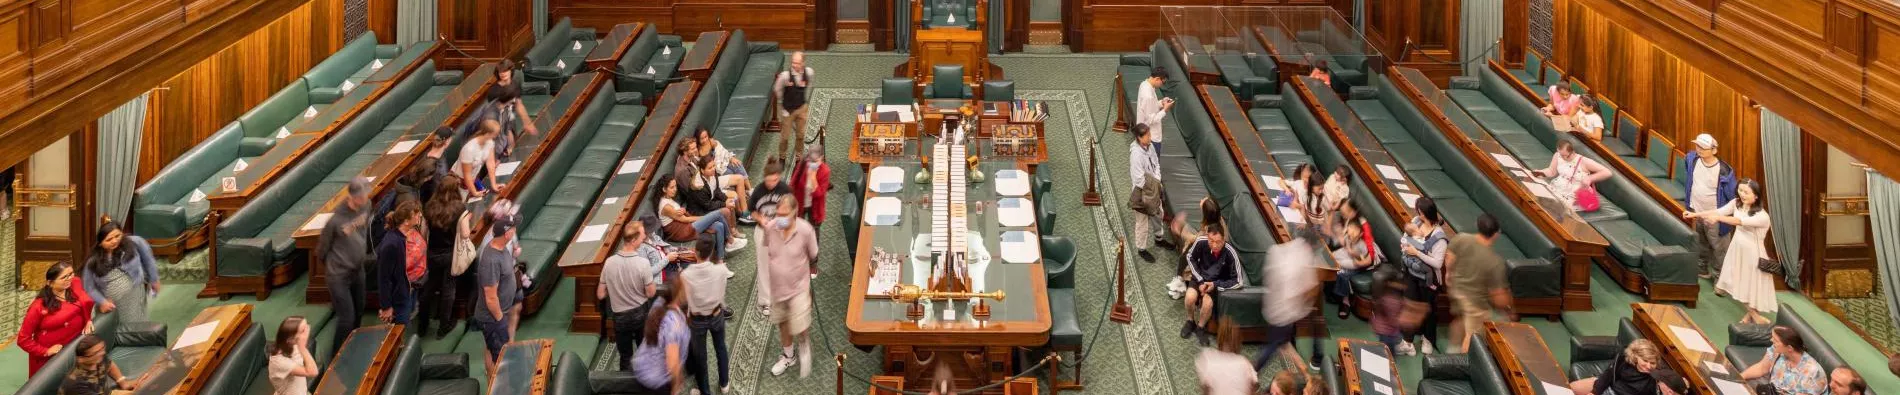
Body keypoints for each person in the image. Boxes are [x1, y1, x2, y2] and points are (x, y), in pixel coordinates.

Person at [1687, 179, 1774, 314]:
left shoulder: (1762, 216)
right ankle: (1751, 317)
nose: (1742, 195)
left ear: (1756, 195)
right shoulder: (1736, 203)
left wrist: (1718, 219)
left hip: (1752, 253)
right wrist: (1695, 214)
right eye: (1740, 190)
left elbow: (1739, 221)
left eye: (1746, 192)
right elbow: (1718, 211)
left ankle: (1755, 317)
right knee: (1739, 283)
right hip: (1737, 249)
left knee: (1749, 285)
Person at [758, 194, 819, 377]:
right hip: (778, 288)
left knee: (800, 325)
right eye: (779, 213)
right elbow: (768, 249)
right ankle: (788, 356)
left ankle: (804, 345)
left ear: (795, 212)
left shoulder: (806, 230)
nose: (780, 218)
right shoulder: (770, 227)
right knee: (783, 323)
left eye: (785, 214)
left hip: (799, 288)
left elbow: (813, 254)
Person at [315, 178, 373, 357]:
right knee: (346, 318)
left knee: (359, 309)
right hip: (338, 276)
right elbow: (322, 250)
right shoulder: (335, 220)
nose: (365, 198)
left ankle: (352, 345)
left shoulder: (367, 206)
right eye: (362, 196)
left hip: (358, 270)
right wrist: (337, 266)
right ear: (353, 197)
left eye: (366, 195)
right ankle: (337, 355)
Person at [1446, 214, 1515, 353]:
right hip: (1475, 303)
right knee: (1473, 337)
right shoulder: (1495, 262)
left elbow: (1449, 256)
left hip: (1456, 290)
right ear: (1496, 235)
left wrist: (1449, 273)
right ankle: (1465, 364)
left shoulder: (1461, 238)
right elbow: (1498, 296)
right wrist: (1510, 309)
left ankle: (1452, 352)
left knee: (1460, 320)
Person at [601, 217, 663, 371]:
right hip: (640, 314)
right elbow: (651, 293)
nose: (644, 238)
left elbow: (601, 294)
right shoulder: (642, 264)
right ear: (634, 239)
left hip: (619, 318)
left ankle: (625, 385)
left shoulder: (609, 262)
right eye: (642, 235)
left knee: (625, 356)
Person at [1253, 231, 1319, 370]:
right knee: (1272, 346)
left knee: (1283, 340)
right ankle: (1254, 371)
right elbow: (1303, 291)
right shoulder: (1304, 259)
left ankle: (1300, 365)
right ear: (1312, 245)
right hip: (1284, 314)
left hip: (1271, 304)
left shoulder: (1281, 249)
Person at [18, 262, 94, 377]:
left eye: (71, 273)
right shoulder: (38, 307)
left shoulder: (75, 282)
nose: (70, 279)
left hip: (75, 348)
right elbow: (23, 339)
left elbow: (86, 301)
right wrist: (46, 351)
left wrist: (88, 319)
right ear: (50, 283)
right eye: (64, 277)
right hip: (51, 358)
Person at [1680, 133, 1739, 280]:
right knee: (1700, 243)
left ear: (1714, 150)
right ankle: (1702, 269)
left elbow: (1732, 196)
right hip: (1695, 210)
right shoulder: (1692, 158)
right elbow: (1689, 173)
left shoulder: (1724, 170)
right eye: (1697, 146)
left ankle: (1721, 279)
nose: (1699, 150)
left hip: (1715, 216)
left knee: (1719, 248)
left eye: (1703, 147)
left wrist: (1724, 216)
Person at [1397, 197, 1449, 356]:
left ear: (1424, 213)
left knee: (1428, 309)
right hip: (1412, 273)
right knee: (1410, 305)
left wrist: (1416, 252)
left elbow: (1438, 264)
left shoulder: (1439, 237)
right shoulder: (1416, 222)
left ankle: (1428, 338)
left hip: (1429, 278)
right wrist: (1404, 245)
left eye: (1419, 212)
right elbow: (1404, 237)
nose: (1417, 214)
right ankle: (1407, 342)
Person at [680, 236, 731, 395]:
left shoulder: (686, 275)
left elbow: (685, 299)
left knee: (700, 357)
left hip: (697, 320)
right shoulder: (721, 270)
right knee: (721, 348)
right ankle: (724, 383)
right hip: (716, 314)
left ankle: (705, 391)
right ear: (711, 252)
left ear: (695, 252)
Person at [81, 221, 158, 323]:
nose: (114, 241)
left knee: (139, 321)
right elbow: (89, 287)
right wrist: (102, 301)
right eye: (109, 239)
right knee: (119, 328)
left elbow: (148, 260)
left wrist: (154, 279)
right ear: (100, 243)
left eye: (117, 236)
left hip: (136, 293)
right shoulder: (93, 261)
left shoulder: (135, 242)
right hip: (113, 303)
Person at [474, 214, 521, 378]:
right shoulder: (491, 260)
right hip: (492, 317)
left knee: (492, 350)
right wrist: (500, 320)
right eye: (514, 228)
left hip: (500, 313)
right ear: (507, 233)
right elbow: (490, 297)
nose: (516, 230)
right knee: (499, 360)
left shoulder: (502, 248)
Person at [656, 173, 739, 264]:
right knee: (720, 213)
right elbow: (684, 220)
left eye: (675, 186)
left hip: (684, 226)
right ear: (664, 189)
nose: (675, 189)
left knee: (719, 226)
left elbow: (678, 215)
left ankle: (720, 261)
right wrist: (707, 218)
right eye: (672, 187)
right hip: (681, 231)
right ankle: (730, 239)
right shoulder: (665, 206)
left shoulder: (668, 199)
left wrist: (682, 210)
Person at [421, 175, 467, 338]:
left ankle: (422, 325)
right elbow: (466, 233)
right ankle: (443, 327)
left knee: (430, 287)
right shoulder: (459, 208)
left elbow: (423, 232)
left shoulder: (429, 206)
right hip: (450, 254)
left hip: (432, 253)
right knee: (449, 289)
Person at [1182, 222, 1242, 346]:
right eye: (1211, 240)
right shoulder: (1201, 241)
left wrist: (1215, 285)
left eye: (1218, 242)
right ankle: (1190, 320)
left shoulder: (1231, 253)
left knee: (1207, 304)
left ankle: (1200, 327)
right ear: (1207, 236)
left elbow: (1238, 281)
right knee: (1189, 298)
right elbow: (1190, 256)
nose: (1214, 245)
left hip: (1216, 284)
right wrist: (1199, 281)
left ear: (1224, 239)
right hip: (1199, 278)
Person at [633, 276, 691, 393]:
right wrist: (676, 383)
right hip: (657, 379)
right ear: (680, 294)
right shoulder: (674, 325)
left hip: (642, 367)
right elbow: (672, 363)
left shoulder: (659, 303)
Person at [375, 201, 426, 325]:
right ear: (406, 221)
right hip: (397, 299)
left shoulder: (400, 238)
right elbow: (384, 278)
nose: (419, 215)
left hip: (405, 292)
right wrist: (386, 307)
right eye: (416, 214)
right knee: (398, 332)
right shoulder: (391, 244)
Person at [1327, 199, 1378, 319]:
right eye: (1342, 211)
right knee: (1330, 258)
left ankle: (1345, 300)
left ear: (1354, 212)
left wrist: (1357, 262)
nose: (1343, 214)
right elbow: (1342, 240)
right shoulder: (1348, 220)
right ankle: (1332, 293)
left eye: (1345, 212)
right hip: (1348, 252)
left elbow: (1369, 257)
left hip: (1361, 260)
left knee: (1340, 270)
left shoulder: (1363, 226)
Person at [1741, 326, 1827, 395]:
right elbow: (1762, 368)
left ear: (1789, 348)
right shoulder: (1776, 350)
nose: (1771, 340)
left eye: (1775, 340)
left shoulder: (1813, 372)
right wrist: (1740, 377)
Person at [1166, 197, 1224, 299]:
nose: (1201, 200)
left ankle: (1180, 282)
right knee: (1188, 233)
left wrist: (1179, 230)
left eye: (1203, 201)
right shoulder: (1216, 219)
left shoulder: (1210, 231)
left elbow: (1196, 239)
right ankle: (1181, 279)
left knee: (1187, 253)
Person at [1532, 141, 1613, 212]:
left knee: (1554, 207)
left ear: (1572, 151)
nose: (1563, 158)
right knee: (1538, 199)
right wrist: (1541, 172)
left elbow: (1607, 172)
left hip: (1575, 193)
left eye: (1566, 155)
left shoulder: (1584, 161)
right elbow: (1551, 171)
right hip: (1559, 187)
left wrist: (1590, 178)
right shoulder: (1558, 155)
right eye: (1561, 155)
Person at [694, 128, 752, 224]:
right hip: (714, 175)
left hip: (717, 170)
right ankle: (742, 214)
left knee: (737, 167)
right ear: (698, 140)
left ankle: (747, 202)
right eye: (702, 138)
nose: (704, 140)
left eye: (706, 137)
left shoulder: (712, 142)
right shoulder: (698, 152)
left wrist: (730, 158)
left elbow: (722, 152)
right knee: (733, 181)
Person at [1569, 339, 1664, 395]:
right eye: (1645, 361)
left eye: (1652, 363)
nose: (1648, 366)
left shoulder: (1652, 382)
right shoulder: (1623, 359)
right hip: (1608, 386)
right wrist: (1594, 392)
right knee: (1569, 388)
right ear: (1636, 357)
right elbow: (1608, 375)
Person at [1128, 123, 1165, 263]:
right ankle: (1141, 249)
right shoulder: (1136, 155)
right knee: (1142, 222)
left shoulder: (1150, 146)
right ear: (1139, 137)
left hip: (1154, 187)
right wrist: (1153, 189)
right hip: (1141, 193)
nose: (1151, 137)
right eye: (1148, 135)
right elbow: (1139, 179)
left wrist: (1157, 181)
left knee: (1158, 213)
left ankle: (1159, 238)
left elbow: (1156, 164)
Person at [485, 60, 539, 156]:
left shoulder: (514, 84)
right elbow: (494, 114)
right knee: (505, 147)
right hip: (497, 121)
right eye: (500, 71)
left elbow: (518, 104)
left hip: (509, 116)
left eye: (505, 70)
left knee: (513, 145)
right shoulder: (493, 91)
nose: (503, 73)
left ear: (511, 71)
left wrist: (527, 123)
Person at [62, 334, 139, 394]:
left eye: (102, 349)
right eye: (96, 353)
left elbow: (110, 366)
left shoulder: (98, 357)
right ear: (81, 359)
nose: (102, 353)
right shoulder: (76, 384)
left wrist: (123, 383)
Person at [1196, 322, 1256, 395]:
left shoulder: (1208, 359)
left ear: (1219, 339)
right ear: (1238, 342)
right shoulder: (1245, 363)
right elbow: (1252, 389)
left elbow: (1205, 391)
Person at [774, 51, 816, 154]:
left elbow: (809, 85)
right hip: (787, 110)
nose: (795, 65)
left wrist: (804, 100)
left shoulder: (809, 72)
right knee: (785, 137)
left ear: (803, 63)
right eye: (793, 62)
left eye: (797, 63)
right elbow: (777, 89)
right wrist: (783, 105)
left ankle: (799, 156)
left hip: (801, 108)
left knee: (800, 135)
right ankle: (782, 156)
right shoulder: (785, 76)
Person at [267, 317, 318, 395]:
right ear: (290, 340)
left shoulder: (293, 345)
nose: (308, 329)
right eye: (303, 330)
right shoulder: (279, 362)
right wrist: (303, 348)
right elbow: (313, 372)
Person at [788, 145, 831, 234]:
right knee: (798, 230)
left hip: (815, 207)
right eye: (811, 160)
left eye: (815, 161)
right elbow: (793, 182)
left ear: (821, 158)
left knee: (814, 232)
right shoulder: (803, 164)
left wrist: (813, 177)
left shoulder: (825, 171)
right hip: (800, 203)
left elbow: (819, 194)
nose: (812, 163)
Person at [456, 119, 505, 197]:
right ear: (488, 133)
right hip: (459, 183)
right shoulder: (469, 148)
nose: (497, 136)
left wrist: (494, 184)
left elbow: (490, 163)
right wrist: (474, 192)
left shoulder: (490, 142)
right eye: (495, 134)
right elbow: (467, 174)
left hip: (472, 180)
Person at [1369, 273, 1407, 354]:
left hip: (1381, 328)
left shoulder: (1383, 295)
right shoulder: (1393, 301)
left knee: (1385, 345)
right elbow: (1394, 321)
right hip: (1387, 332)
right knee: (1389, 352)